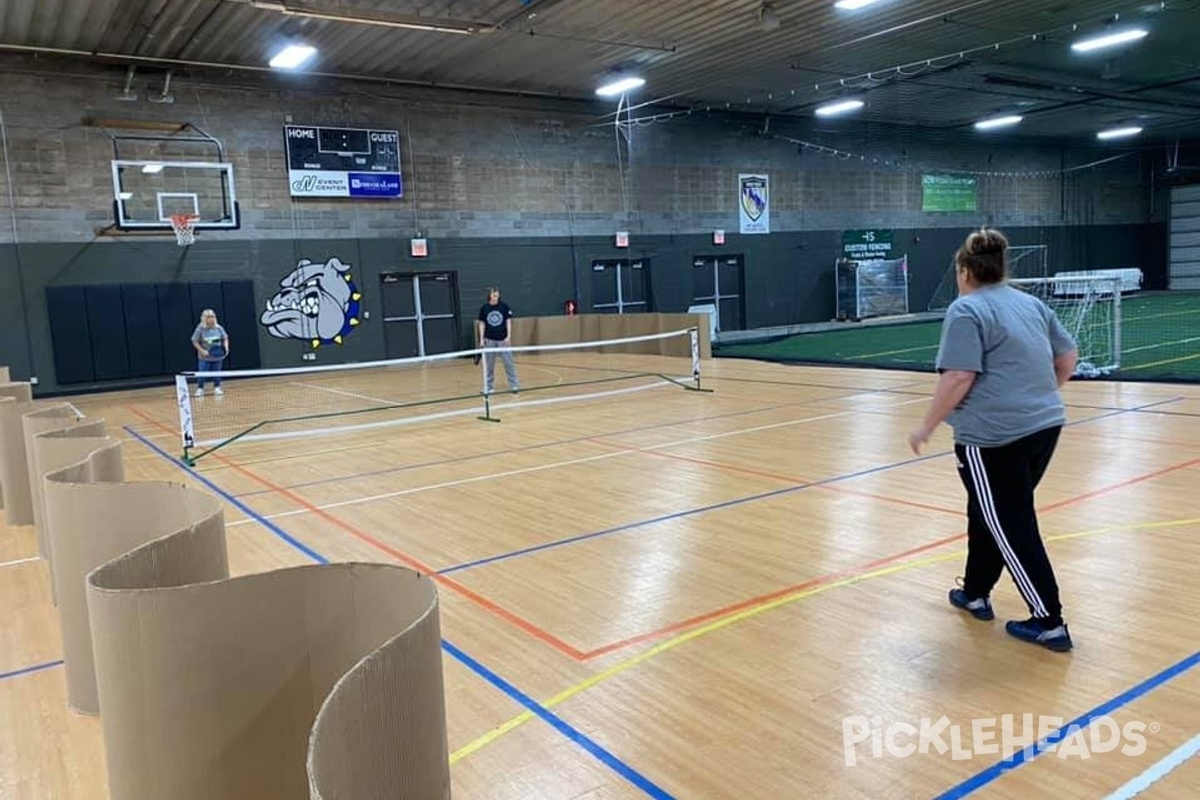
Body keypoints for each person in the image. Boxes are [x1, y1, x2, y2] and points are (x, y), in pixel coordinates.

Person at [908, 228, 1079, 652]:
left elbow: (959, 376)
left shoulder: (966, 311)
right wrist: (1041, 395)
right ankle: (975, 591)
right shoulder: (1030, 303)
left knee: (1010, 524)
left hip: (993, 438)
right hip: (1044, 426)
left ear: (965, 271)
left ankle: (1049, 621)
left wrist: (927, 425)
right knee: (989, 512)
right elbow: (1067, 356)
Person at [477, 287, 519, 394]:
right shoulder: (484, 308)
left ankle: (514, 385)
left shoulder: (504, 307)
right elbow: (482, 324)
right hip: (489, 340)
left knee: (508, 363)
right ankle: (489, 387)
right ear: (489, 295)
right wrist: (482, 339)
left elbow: (508, 321)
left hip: (503, 340)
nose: (496, 295)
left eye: (497, 293)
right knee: (489, 365)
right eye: (494, 293)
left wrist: (508, 337)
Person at [191, 309, 229, 397]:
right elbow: (194, 341)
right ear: (204, 318)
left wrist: (226, 348)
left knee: (217, 372)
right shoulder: (200, 328)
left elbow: (225, 338)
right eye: (209, 317)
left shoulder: (219, 328)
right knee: (202, 373)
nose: (211, 319)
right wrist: (201, 351)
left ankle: (217, 388)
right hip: (205, 357)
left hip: (217, 356)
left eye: (212, 317)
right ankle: (200, 389)